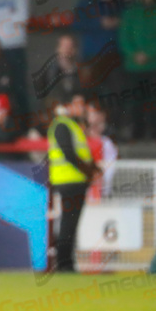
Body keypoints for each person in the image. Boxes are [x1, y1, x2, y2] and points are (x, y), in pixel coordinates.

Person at [47, 92, 99, 272]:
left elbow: (78, 153)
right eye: (78, 104)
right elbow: (70, 154)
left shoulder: (70, 125)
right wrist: (89, 171)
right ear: (68, 105)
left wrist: (92, 169)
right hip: (70, 180)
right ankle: (64, 264)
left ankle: (66, 263)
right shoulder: (63, 125)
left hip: (72, 179)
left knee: (70, 224)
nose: (82, 107)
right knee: (69, 224)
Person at [72, 0, 125, 130]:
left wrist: (119, 22)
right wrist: (100, 23)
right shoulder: (87, 1)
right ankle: (88, 129)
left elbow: (129, 22)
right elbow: (77, 23)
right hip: (91, 55)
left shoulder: (119, 1)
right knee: (89, 94)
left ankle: (114, 130)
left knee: (116, 95)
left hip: (113, 55)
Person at [119, 0, 156, 142]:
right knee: (135, 102)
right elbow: (123, 37)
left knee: (154, 102)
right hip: (134, 66)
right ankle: (137, 133)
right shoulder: (130, 12)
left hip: (155, 65)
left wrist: (148, 54)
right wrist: (135, 54)